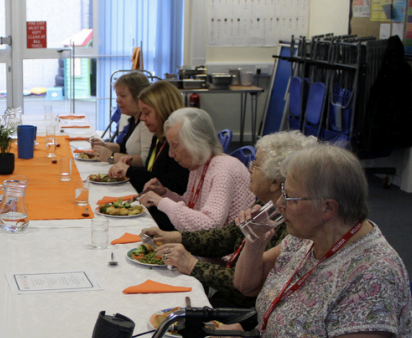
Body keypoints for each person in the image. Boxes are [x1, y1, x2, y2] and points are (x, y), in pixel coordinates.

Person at [227, 144, 412, 338]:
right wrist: (254, 241)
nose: (279, 204)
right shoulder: (307, 237)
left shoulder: (372, 274)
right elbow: (246, 286)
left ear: (328, 208)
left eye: (290, 197)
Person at [141, 131, 316, 310]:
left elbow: (245, 287)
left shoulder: (292, 227)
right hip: (229, 296)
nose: (250, 168)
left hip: (241, 309)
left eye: (256, 165)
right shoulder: (266, 205)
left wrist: (192, 264)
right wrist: (173, 237)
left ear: (274, 182)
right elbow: (226, 237)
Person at [138, 108, 254, 231]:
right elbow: (190, 206)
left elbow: (210, 225)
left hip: (228, 243)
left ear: (195, 142)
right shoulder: (200, 164)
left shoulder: (223, 170)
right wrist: (165, 193)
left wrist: (161, 202)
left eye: (175, 145)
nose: (171, 154)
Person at [107, 80, 188, 229]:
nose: (142, 118)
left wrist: (130, 171)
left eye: (147, 112)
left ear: (163, 111)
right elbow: (153, 175)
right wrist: (132, 169)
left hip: (169, 218)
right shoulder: (158, 137)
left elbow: (170, 185)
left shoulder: (178, 144)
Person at [90, 72, 152, 165]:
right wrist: (105, 145)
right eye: (117, 95)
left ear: (139, 97)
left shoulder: (146, 123)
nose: (117, 100)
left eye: (122, 96)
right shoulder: (133, 118)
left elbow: (145, 160)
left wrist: (111, 157)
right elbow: (123, 147)